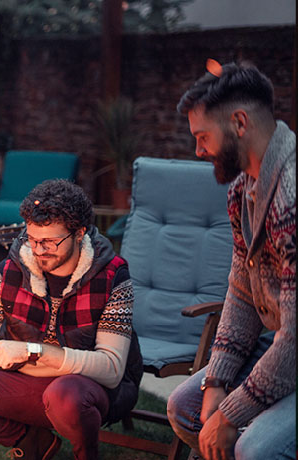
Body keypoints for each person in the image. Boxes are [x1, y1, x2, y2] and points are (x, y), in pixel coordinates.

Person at [0, 179, 142, 460]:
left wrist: (33, 351)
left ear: (80, 232)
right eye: (33, 240)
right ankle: (33, 441)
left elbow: (111, 368)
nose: (39, 250)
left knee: (64, 396)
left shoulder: (112, 277)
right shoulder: (10, 272)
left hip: (85, 388)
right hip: (25, 384)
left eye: (50, 242)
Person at [166, 62, 295, 460]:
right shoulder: (244, 189)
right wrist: (217, 380)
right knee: (187, 407)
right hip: (278, 344)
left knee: (254, 449)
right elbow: (241, 291)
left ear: (239, 123)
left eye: (203, 137)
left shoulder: (290, 197)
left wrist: (230, 412)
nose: (198, 150)